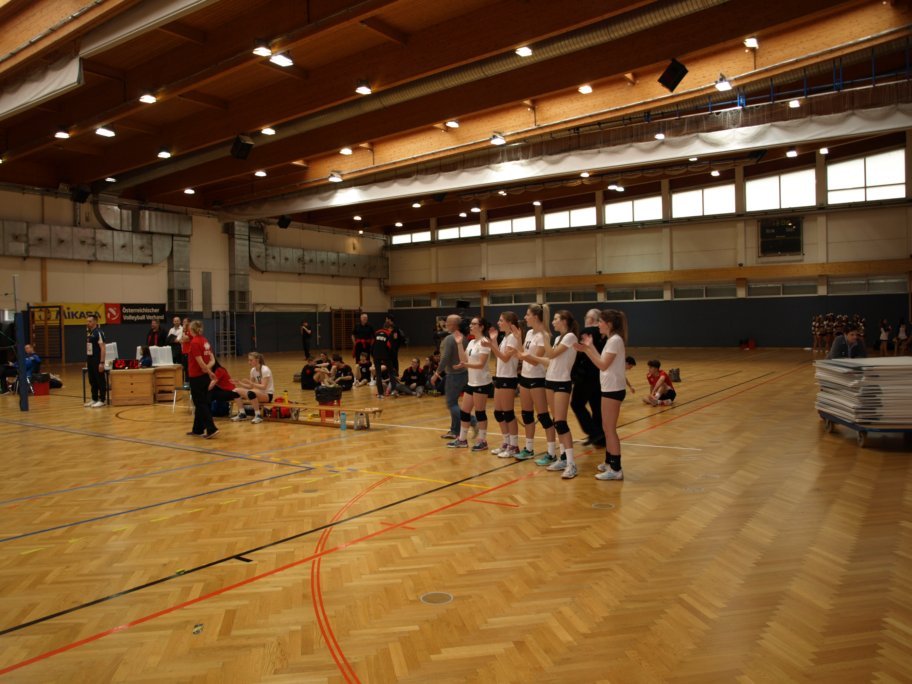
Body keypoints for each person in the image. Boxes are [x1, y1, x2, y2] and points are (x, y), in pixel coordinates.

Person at [521, 309, 579, 479]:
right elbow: (550, 360)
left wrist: (544, 337)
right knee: (556, 421)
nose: (553, 322)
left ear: (564, 321)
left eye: (556, 319)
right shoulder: (559, 338)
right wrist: (530, 357)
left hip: (562, 382)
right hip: (550, 381)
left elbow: (552, 353)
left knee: (561, 423)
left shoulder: (570, 337)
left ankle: (571, 464)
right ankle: (563, 458)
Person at [575, 309, 629, 481]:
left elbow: (602, 365)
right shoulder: (611, 340)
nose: (598, 324)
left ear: (609, 324)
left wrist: (588, 350)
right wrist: (588, 348)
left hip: (613, 389)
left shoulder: (614, 340)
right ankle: (609, 462)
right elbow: (602, 360)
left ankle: (616, 468)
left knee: (609, 429)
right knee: (607, 428)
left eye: (600, 321)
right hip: (609, 388)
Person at [515, 304, 556, 463]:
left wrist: (520, 355)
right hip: (525, 377)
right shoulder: (529, 333)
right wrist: (518, 339)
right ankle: (529, 449)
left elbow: (534, 361)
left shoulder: (543, 335)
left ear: (536, 317)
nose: (525, 317)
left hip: (537, 379)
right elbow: (523, 354)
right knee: (526, 415)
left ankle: (551, 453)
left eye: (528, 314)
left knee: (543, 416)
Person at [449, 317, 493, 451]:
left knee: (480, 413)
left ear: (481, 327)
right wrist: (459, 344)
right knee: (465, 412)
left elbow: (480, 364)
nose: (471, 326)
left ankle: (482, 441)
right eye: (471, 324)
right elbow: (464, 359)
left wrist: (465, 365)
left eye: (474, 324)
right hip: (471, 382)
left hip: (482, 382)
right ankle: (462, 439)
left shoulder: (485, 342)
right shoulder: (472, 342)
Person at [484, 311, 521, 458]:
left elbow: (505, 358)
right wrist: (493, 341)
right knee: (498, 413)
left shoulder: (513, 338)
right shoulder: (505, 337)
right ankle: (506, 442)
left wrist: (491, 345)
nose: (498, 323)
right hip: (500, 377)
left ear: (509, 323)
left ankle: (514, 446)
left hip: (508, 378)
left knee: (508, 413)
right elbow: (499, 355)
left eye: (501, 320)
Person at [432, 314, 473, 439]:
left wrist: (436, 373)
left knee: (451, 404)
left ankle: (473, 420)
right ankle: (455, 431)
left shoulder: (450, 338)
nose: (445, 324)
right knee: (453, 403)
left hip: (454, 375)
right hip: (463, 373)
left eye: (448, 322)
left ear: (454, 325)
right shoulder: (462, 337)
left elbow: (445, 358)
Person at [571, 308, 605, 448]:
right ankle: (600, 439)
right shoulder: (604, 334)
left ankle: (594, 432)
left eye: (586, 317)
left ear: (591, 319)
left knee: (576, 404)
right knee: (597, 407)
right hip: (600, 375)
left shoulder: (586, 332)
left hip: (585, 376)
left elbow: (579, 354)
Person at [186, 319, 218, 438]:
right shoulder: (205, 341)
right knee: (201, 402)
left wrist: (207, 370)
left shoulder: (194, 343)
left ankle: (211, 428)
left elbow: (201, 364)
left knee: (200, 403)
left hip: (196, 377)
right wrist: (208, 370)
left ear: (191, 329)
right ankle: (198, 429)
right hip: (204, 377)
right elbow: (211, 360)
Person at [232, 352, 275, 424]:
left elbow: (263, 386)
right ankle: (242, 413)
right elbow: (250, 386)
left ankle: (258, 415)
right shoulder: (253, 370)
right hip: (258, 393)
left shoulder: (265, 370)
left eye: (251, 360)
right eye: (248, 360)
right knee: (235, 391)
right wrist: (239, 383)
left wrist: (252, 383)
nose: (249, 362)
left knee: (251, 392)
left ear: (257, 360)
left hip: (267, 395)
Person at [85, 314, 107, 408]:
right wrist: (88, 360)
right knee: (92, 380)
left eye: (90, 321)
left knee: (100, 379)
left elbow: (103, 348)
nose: (88, 323)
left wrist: (101, 362)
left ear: (95, 322)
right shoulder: (90, 332)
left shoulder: (99, 332)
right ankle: (94, 399)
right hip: (90, 359)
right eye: (87, 321)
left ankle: (102, 400)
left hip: (97, 360)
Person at [371, 319, 393, 399]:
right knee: (391, 373)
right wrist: (390, 356)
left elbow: (372, 344)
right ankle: (394, 390)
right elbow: (389, 346)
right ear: (389, 328)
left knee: (378, 374)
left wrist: (373, 355)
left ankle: (380, 393)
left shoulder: (376, 332)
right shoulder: (389, 334)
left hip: (376, 355)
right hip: (385, 355)